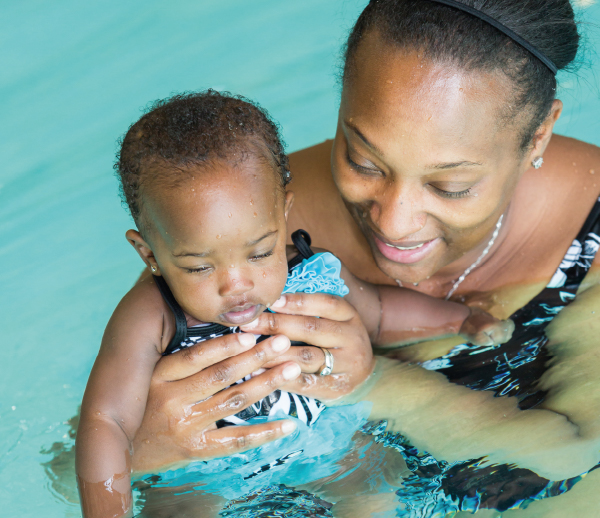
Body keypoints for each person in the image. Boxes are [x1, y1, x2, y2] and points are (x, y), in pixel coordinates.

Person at [75, 90, 513, 517]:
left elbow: (378, 311)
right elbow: (106, 421)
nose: (237, 285)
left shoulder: (312, 272)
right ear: (149, 252)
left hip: (324, 443)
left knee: (377, 481)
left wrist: (461, 319)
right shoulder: (150, 314)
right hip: (205, 475)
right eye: (198, 267)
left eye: (260, 252)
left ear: (283, 214)